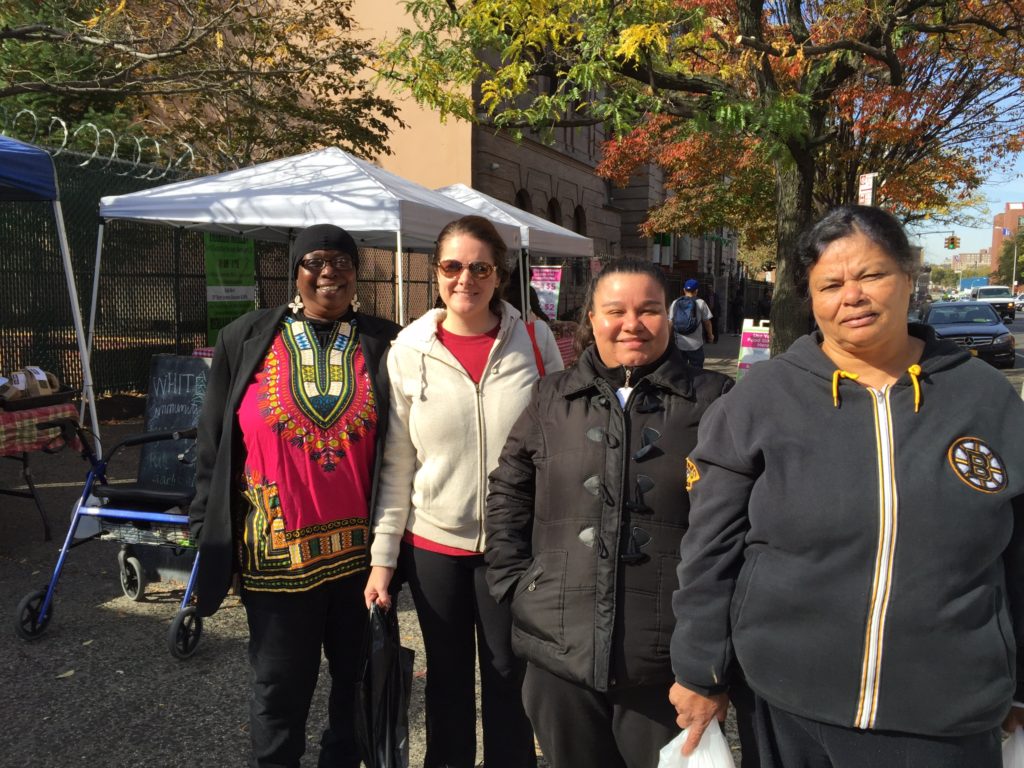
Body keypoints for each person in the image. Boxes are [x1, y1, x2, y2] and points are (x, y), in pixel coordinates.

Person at [669, 205, 1024, 767]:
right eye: (830, 284)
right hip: (789, 704)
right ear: (810, 298)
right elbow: (710, 548)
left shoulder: (985, 397)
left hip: (947, 709)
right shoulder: (762, 400)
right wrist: (699, 667)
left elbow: (1017, 552)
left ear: (909, 276)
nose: (851, 295)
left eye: (872, 275)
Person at [485, 258, 735, 768]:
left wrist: (711, 660)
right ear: (591, 319)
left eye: (649, 310)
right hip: (560, 652)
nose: (632, 324)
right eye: (614, 310)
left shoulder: (716, 401)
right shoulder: (551, 397)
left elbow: (739, 527)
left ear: (670, 316)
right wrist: (517, 585)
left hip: (667, 665)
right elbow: (508, 492)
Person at [188, 224, 401, 768]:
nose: (330, 271)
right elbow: (213, 441)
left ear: (358, 273)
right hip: (275, 558)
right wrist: (205, 532)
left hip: (362, 559)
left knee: (357, 682)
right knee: (279, 688)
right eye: (316, 261)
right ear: (295, 270)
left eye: (344, 262)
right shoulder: (247, 336)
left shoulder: (388, 341)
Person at [364, 215, 562, 768]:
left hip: (514, 546)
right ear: (436, 272)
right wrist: (382, 561)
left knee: (508, 676)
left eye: (480, 267)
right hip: (434, 546)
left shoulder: (536, 341)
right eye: (452, 266)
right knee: (446, 680)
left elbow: (560, 443)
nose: (465, 279)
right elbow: (397, 464)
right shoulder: (409, 349)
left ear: (500, 275)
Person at [669, 278, 714, 368]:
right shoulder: (701, 303)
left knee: (680, 369)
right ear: (696, 291)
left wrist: (669, 338)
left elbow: (670, 322)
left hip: (679, 343)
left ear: (684, 290)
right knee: (696, 370)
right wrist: (710, 335)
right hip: (696, 344)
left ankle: (682, 382)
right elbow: (707, 322)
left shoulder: (675, 303)